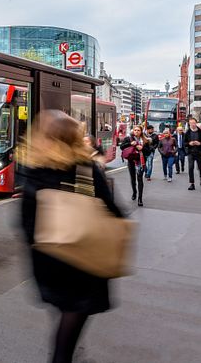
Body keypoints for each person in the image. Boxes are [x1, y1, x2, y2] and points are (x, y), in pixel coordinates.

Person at [19, 110, 123, 363]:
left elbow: (24, 222)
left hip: (46, 258)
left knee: (64, 309)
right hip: (80, 256)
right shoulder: (85, 169)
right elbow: (113, 211)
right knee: (75, 312)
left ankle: (66, 350)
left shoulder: (32, 169)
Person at [120, 125, 151, 206]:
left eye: (138, 130)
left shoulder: (145, 140)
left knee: (140, 179)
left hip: (141, 161)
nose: (136, 132)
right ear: (133, 131)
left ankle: (140, 199)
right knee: (133, 179)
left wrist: (142, 148)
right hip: (131, 161)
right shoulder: (128, 138)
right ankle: (134, 192)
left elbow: (149, 152)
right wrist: (130, 144)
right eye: (135, 130)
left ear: (141, 132)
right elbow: (121, 147)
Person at [185, 117, 201, 190]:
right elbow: (185, 143)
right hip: (191, 153)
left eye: (194, 123)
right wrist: (189, 143)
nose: (192, 124)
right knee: (190, 167)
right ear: (189, 124)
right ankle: (192, 184)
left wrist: (200, 143)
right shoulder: (187, 132)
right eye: (191, 123)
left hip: (199, 152)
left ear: (196, 123)